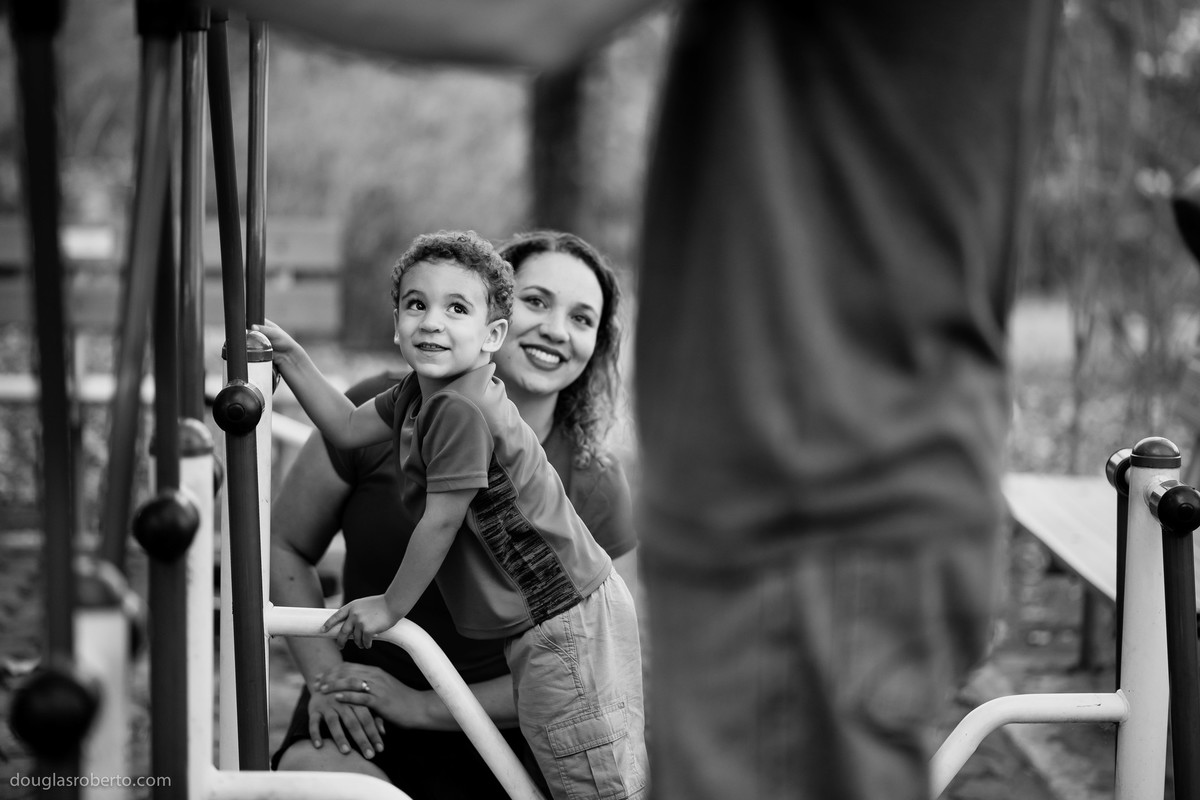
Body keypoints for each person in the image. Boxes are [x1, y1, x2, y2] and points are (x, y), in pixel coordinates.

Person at [220, 1, 1060, 797]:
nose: (553, 331)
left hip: (812, 521)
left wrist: (405, 661)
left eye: (581, 315)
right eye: (536, 304)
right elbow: (309, 503)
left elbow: (587, 654)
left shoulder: (566, 470)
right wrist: (292, 359)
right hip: (766, 516)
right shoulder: (405, 403)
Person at [257, 230, 647, 800]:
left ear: (492, 329)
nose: (433, 321)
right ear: (396, 323)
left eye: (455, 308)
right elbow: (343, 427)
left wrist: (390, 607)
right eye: (417, 305)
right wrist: (291, 358)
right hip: (414, 682)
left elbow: (441, 520)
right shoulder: (418, 392)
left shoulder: (465, 411)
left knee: (594, 786)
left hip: (563, 621)